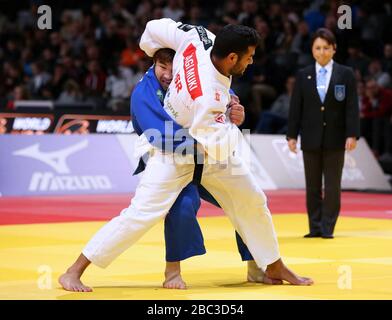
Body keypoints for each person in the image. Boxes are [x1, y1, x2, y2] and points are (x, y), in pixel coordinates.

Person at [59, 18, 313, 292]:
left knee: (251, 198)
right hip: (176, 154)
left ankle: (271, 264)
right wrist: (230, 115)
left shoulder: (199, 38)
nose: (250, 62)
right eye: (248, 57)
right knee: (140, 214)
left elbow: (154, 28)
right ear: (231, 57)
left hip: (203, 144)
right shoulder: (210, 97)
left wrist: (149, 47)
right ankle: (73, 271)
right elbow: (218, 145)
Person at [131, 47, 279, 289]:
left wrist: (235, 111)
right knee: (182, 207)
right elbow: (158, 135)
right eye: (162, 67)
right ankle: (172, 272)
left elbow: (223, 98)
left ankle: (256, 265)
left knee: (243, 203)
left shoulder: (196, 75)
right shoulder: (144, 92)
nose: (167, 74)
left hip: (209, 159)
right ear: (153, 64)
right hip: (173, 159)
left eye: (172, 68)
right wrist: (202, 145)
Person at [286, 28, 360, 239]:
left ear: (334, 49)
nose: (322, 52)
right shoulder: (303, 75)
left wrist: (352, 134)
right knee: (312, 186)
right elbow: (296, 108)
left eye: (326, 48)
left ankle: (328, 227)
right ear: (312, 50)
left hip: (336, 139)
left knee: (333, 186)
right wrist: (291, 135)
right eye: (318, 48)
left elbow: (352, 107)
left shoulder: (345, 74)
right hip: (310, 138)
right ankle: (315, 226)